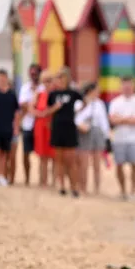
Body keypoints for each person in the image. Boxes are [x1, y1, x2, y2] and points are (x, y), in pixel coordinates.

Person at [109, 76, 135, 201]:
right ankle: (123, 190)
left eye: (129, 85)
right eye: (124, 85)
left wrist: (121, 119)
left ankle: (133, 191)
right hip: (119, 139)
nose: (127, 88)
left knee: (134, 165)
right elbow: (112, 119)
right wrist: (128, 119)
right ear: (121, 86)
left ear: (133, 86)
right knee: (119, 165)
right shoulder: (115, 102)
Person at [46, 68, 82, 197]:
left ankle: (74, 186)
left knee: (71, 160)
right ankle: (61, 185)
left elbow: (83, 103)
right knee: (59, 159)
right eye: (58, 78)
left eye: (62, 77)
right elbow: (47, 111)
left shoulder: (73, 93)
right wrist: (54, 108)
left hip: (70, 128)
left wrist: (78, 113)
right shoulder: (53, 94)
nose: (60, 80)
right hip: (57, 128)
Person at [75, 83, 110, 195]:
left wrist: (106, 136)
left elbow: (103, 121)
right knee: (83, 162)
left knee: (97, 162)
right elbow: (77, 117)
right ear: (90, 91)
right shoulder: (80, 102)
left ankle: (97, 188)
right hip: (84, 131)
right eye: (97, 90)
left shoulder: (100, 104)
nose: (98, 93)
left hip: (97, 132)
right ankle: (82, 187)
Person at [17, 64, 42, 185]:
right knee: (26, 153)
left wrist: (30, 105)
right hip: (28, 124)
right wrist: (34, 105)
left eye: (35, 73)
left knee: (43, 154)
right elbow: (22, 105)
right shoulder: (25, 88)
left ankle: (43, 179)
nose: (33, 76)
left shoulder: (43, 88)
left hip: (40, 125)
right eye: (31, 73)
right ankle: (27, 178)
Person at [33, 70, 56, 187]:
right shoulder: (39, 94)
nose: (48, 83)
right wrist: (40, 114)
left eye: (50, 81)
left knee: (54, 157)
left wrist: (47, 112)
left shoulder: (55, 94)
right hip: (41, 126)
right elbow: (31, 108)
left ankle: (54, 182)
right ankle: (43, 181)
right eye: (45, 81)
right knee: (43, 157)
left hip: (52, 127)